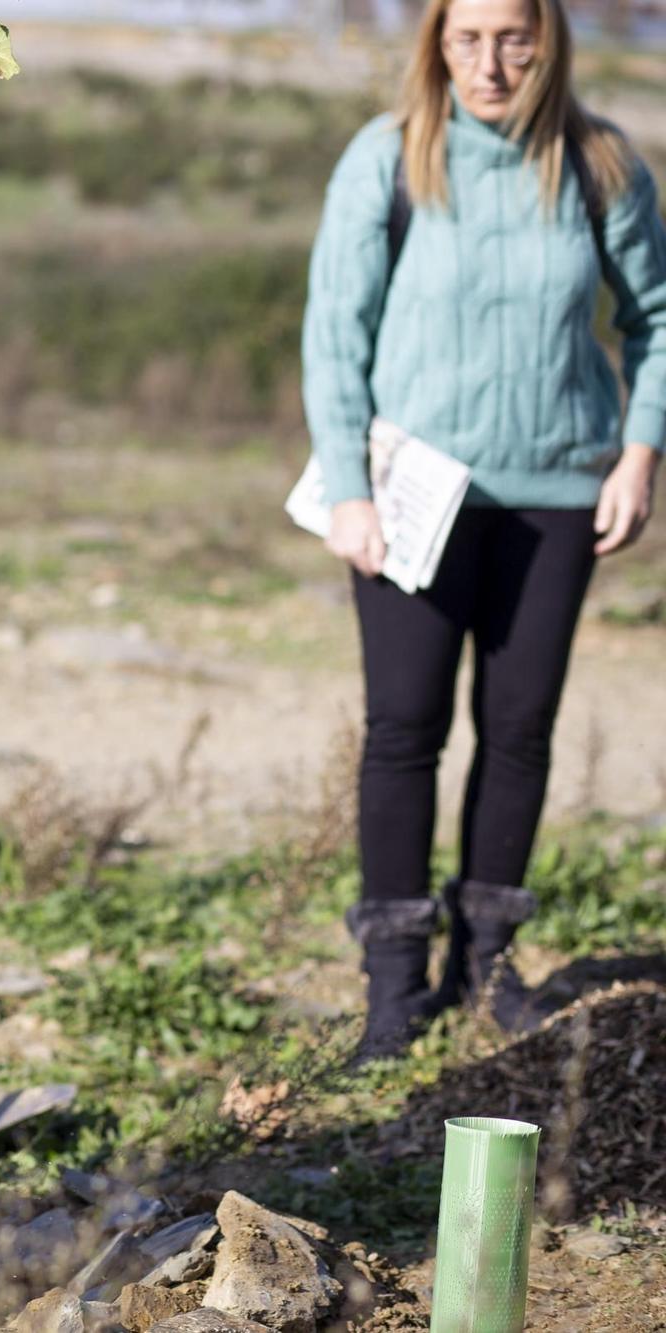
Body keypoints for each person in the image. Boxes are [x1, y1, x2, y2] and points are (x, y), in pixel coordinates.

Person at [302, 0, 666, 1061]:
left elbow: (654, 316)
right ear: (436, 45)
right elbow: (334, 333)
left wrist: (638, 452)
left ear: (547, 42)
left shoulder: (597, 165)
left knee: (518, 728)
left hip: (555, 490)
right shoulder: (386, 159)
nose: (490, 62)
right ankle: (389, 989)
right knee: (403, 728)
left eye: (513, 38)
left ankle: (485, 968)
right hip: (410, 491)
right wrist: (344, 489)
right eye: (466, 39)